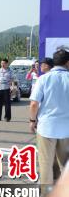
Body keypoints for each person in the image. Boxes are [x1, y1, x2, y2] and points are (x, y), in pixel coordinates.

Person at [29, 48, 69, 188]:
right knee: (65, 164)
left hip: (47, 128)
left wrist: (32, 121)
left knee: (46, 164)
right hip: (66, 129)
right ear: (67, 63)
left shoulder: (43, 79)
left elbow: (34, 104)